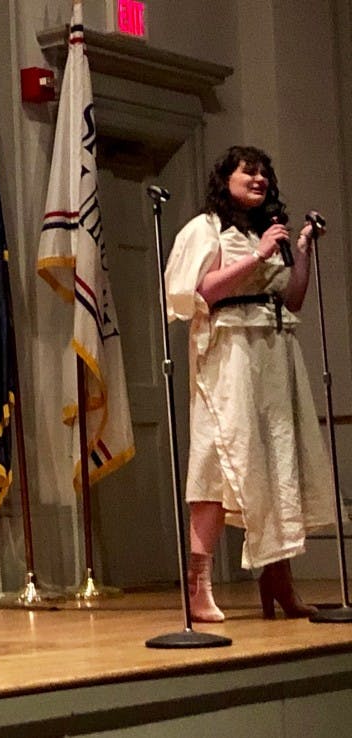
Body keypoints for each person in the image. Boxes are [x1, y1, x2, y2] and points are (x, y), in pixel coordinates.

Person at [164, 145, 332, 622]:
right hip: (230, 354)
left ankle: (277, 581)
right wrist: (254, 257)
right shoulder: (206, 228)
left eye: (264, 173)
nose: (258, 179)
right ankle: (198, 583)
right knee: (217, 462)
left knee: (277, 461)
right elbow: (198, 293)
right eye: (248, 172)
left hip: (275, 355)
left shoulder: (268, 232)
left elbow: (293, 298)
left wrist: (300, 250)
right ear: (226, 178)